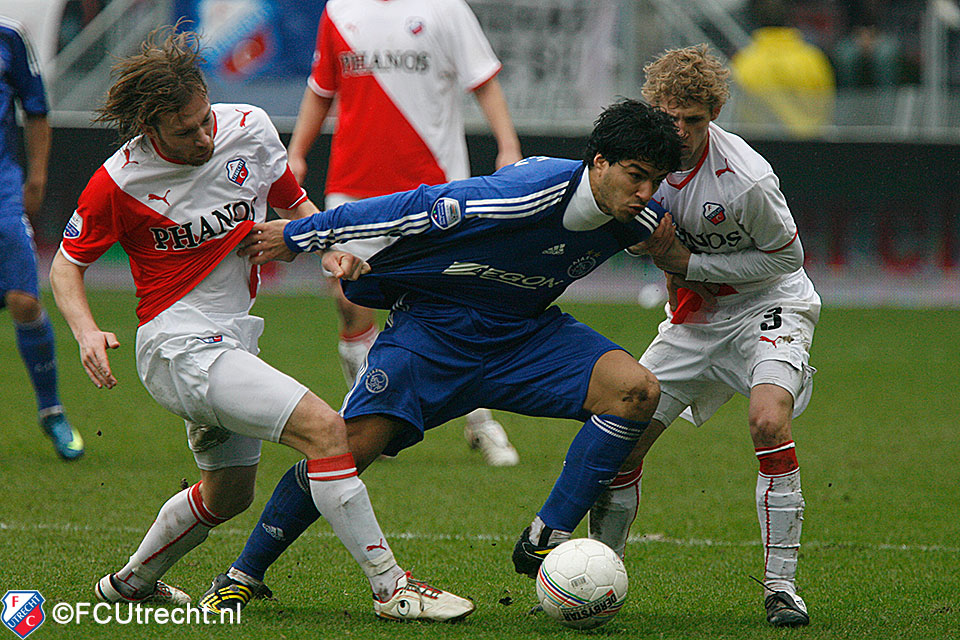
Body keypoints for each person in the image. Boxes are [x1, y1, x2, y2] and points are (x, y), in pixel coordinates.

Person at [48, 25, 473, 622]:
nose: (203, 137)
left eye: (204, 120)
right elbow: (66, 266)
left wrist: (326, 245)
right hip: (176, 347)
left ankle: (129, 584)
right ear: (149, 129)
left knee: (228, 495)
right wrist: (87, 332)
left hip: (231, 340)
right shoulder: (119, 181)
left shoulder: (248, 127)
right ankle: (391, 588)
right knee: (327, 431)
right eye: (185, 131)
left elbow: (296, 206)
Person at [197, 98, 682, 613]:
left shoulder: (643, 218)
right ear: (600, 162)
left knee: (636, 390)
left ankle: (547, 535)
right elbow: (412, 207)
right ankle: (242, 574)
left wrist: (665, 252)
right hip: (434, 334)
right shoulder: (524, 194)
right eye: (635, 176)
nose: (645, 192)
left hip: (524, 336)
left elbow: (694, 252)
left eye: (655, 181)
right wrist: (299, 235)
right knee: (342, 451)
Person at [586, 45, 820, 628]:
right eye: (671, 119)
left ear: (714, 113)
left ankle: (781, 588)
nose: (682, 133)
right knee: (621, 440)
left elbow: (788, 258)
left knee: (768, 420)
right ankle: (597, 577)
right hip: (694, 319)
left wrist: (687, 262)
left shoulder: (746, 179)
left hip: (769, 305)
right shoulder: (641, 165)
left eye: (695, 119)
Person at [287, 0, 524, 467]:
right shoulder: (338, 11)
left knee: (457, 310)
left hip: (435, 191)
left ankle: (480, 422)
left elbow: (484, 81)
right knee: (349, 302)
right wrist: (296, 153)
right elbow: (320, 90)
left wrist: (509, 146)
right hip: (353, 187)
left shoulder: (446, 9)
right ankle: (369, 417)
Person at [0, 16, 83, 460]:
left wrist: (37, 177)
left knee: (24, 300)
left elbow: (36, 109)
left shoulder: (9, 36)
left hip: (3, 187)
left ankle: (52, 411)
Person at [729, 0, 835, 138]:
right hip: (809, 143)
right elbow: (826, 105)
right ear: (790, 19)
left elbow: (740, 113)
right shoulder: (813, 59)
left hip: (760, 144)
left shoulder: (743, 63)